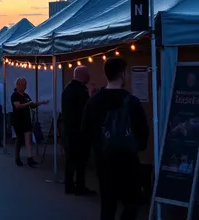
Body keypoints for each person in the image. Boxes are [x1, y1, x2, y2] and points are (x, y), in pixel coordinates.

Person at [82, 58, 149, 220]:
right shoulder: (132, 102)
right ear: (122, 75)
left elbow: (85, 133)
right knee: (131, 204)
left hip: (104, 161)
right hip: (128, 161)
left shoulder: (93, 102)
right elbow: (143, 133)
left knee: (108, 205)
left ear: (106, 75)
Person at [62, 66, 96, 195]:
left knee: (70, 160)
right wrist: (92, 97)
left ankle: (69, 186)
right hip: (79, 132)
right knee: (81, 161)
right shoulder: (81, 90)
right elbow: (86, 110)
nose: (89, 77)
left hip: (69, 131)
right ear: (82, 75)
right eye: (88, 74)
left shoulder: (67, 89)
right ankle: (80, 186)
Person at [11, 77, 48, 167]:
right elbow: (18, 106)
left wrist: (40, 103)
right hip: (18, 120)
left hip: (26, 119)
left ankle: (30, 158)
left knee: (28, 138)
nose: (25, 86)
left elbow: (32, 105)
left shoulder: (26, 95)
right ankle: (17, 157)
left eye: (25, 84)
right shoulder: (15, 95)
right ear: (18, 85)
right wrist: (29, 103)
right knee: (20, 139)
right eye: (23, 84)